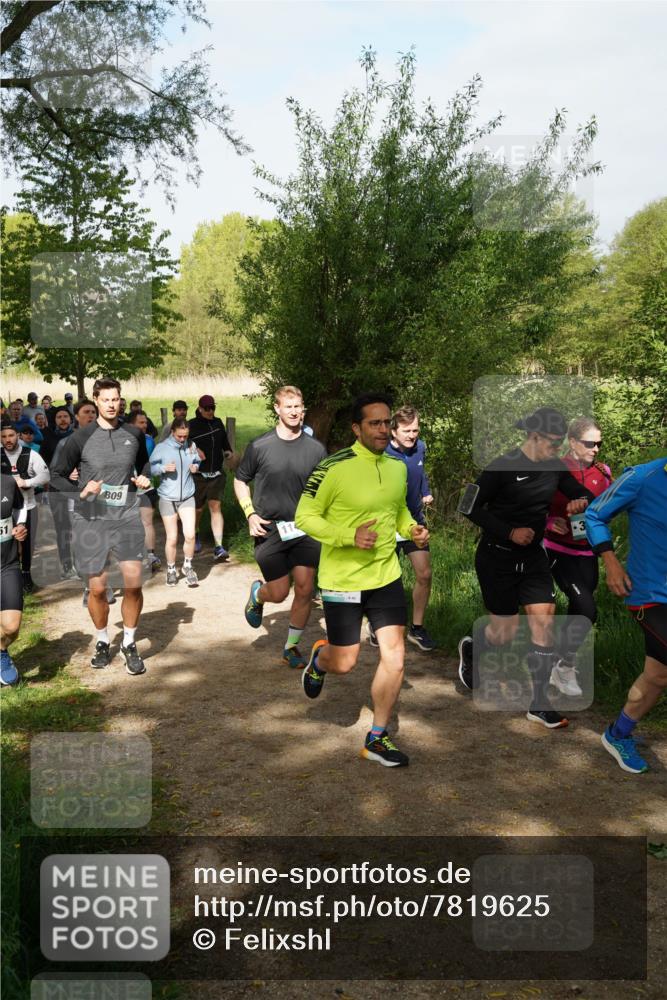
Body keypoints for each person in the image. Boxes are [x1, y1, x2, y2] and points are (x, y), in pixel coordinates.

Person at [295, 394, 429, 767]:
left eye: (387, 422)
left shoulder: (398, 466)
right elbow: (305, 516)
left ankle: (377, 737)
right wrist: (347, 535)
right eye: (375, 423)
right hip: (343, 580)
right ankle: (320, 660)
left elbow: (398, 509)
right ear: (356, 428)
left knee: (396, 657)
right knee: (345, 662)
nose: (384, 430)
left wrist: (412, 529)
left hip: (385, 575)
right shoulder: (333, 467)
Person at [458, 407, 595, 729]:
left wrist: (581, 501)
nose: (558, 449)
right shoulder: (501, 467)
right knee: (504, 633)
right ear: (534, 436)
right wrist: (509, 531)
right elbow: (468, 506)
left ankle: (539, 703)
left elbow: (582, 492)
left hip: (533, 558)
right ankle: (473, 648)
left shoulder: (554, 467)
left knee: (543, 620)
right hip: (497, 556)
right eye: (554, 442)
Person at [50, 378, 151, 676]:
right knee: (98, 588)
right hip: (90, 519)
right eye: (105, 399)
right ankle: (103, 640)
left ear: (121, 401)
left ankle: (129, 643)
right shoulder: (79, 438)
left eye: (116, 399)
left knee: (133, 582)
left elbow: (144, 465)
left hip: (126, 516)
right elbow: (55, 475)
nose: (111, 404)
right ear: (95, 401)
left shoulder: (133, 433)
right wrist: (78, 491)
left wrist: (144, 479)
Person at [235, 385, 327, 668]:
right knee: (279, 592)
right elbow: (240, 480)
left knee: (304, 588)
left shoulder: (316, 449)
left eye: (298, 406)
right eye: (289, 406)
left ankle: (291, 647)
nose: (294, 411)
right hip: (269, 528)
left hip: (305, 528)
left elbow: (326, 488)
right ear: (277, 409)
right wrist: (250, 514)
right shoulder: (260, 446)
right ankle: (258, 595)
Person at [585, 456, 667, 774]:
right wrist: (611, 561)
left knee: (658, 675)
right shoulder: (642, 478)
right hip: (649, 595)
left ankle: (617, 734)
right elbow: (594, 514)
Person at [544, 417, 612, 696]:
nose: (595, 448)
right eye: (589, 443)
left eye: (599, 443)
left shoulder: (603, 472)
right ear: (572, 442)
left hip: (587, 551)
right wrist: (549, 522)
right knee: (587, 607)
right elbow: (531, 505)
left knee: (579, 612)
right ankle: (562, 665)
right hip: (557, 550)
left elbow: (609, 509)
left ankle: (560, 666)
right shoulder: (555, 469)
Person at [378, 405, 436, 652]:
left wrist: (425, 491)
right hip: (387, 525)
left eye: (416, 430)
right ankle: (378, 623)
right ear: (393, 431)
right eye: (407, 431)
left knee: (424, 574)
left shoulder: (420, 447)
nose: (412, 435)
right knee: (386, 579)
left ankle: (417, 628)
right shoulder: (381, 453)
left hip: (414, 523)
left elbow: (420, 473)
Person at [151, 418, 202, 587]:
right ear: (172, 432)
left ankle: (188, 566)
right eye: (179, 436)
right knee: (172, 538)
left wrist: (196, 466)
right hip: (167, 498)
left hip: (187, 496)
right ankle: (171, 569)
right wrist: (163, 468)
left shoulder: (191, 446)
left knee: (190, 534)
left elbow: (196, 460)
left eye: (185, 436)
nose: (182, 439)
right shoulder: (162, 448)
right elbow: (151, 469)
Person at [1, 420, 50, 593]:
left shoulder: (30, 454)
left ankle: (27, 574)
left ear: (18, 436)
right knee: (6, 543)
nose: (8, 439)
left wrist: (27, 482)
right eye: (4, 437)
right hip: (5, 511)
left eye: (11, 436)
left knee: (28, 543)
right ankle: (8, 578)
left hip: (28, 507)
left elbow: (45, 475)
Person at [188, 394, 233, 559]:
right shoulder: (192, 425)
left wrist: (228, 451)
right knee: (198, 509)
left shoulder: (218, 422)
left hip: (216, 474)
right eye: (207, 408)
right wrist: (193, 446)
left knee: (215, 507)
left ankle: (218, 546)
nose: (210, 411)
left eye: (213, 407)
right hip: (198, 475)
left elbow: (224, 441)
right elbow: (180, 441)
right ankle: (195, 533)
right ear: (200, 408)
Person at [0, 471, 28, 686]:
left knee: (11, 627)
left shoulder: (7, 482)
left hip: (7, 564)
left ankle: (1, 651)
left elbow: (20, 507)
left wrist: (19, 526)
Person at [127, 411, 161, 572]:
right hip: (126, 487)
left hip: (146, 485)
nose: (145, 425)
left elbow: (150, 461)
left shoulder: (148, 440)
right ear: (132, 424)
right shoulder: (121, 439)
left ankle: (151, 555)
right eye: (141, 423)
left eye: (146, 423)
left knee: (147, 521)